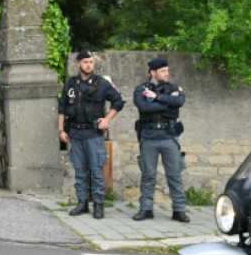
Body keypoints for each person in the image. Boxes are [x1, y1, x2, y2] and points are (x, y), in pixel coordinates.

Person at [57, 51, 124, 220]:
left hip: (93, 133)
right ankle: (82, 203)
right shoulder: (71, 84)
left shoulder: (101, 84)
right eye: (85, 62)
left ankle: (98, 205)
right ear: (78, 63)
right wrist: (61, 130)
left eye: (91, 62)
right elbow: (62, 108)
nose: (89, 65)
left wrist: (107, 119)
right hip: (75, 134)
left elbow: (118, 101)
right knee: (80, 171)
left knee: (96, 170)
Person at [132, 57, 190, 223]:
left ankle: (179, 210)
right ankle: (146, 209)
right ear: (153, 72)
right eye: (163, 71)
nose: (167, 73)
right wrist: (167, 103)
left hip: (169, 136)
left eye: (167, 70)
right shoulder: (141, 89)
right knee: (148, 175)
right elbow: (143, 107)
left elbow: (179, 101)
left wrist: (156, 97)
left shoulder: (173, 87)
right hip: (148, 136)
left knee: (174, 175)